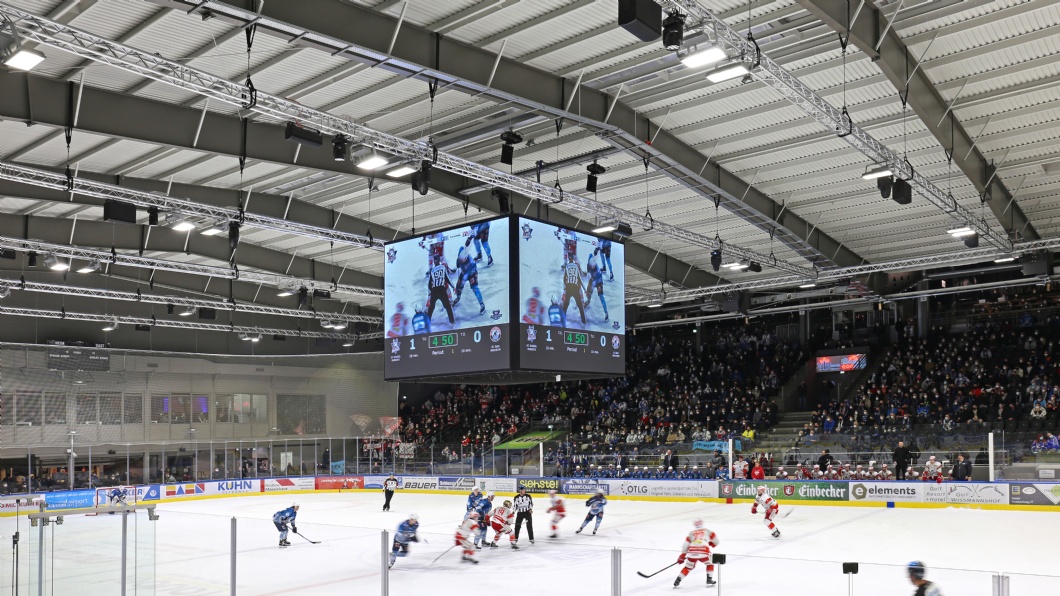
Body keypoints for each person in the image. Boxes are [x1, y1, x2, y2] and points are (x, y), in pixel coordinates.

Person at [673, 519, 719, 588]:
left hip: (692, 552)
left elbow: (686, 545)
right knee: (710, 563)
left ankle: (678, 579)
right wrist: (711, 543)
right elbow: (716, 541)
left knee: (688, 567)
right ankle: (709, 579)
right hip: (704, 552)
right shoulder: (707, 531)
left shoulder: (691, 533)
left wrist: (682, 556)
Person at [452, 238, 486, 315]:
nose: (461, 261)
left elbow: (465, 276)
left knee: (475, 288)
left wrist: (462, 282)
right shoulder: (461, 255)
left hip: (472, 273)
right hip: (464, 273)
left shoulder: (471, 262)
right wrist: (458, 262)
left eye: (462, 260)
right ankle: (458, 297)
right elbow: (462, 248)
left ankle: (481, 304)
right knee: (458, 286)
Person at [425, 254, 456, 326]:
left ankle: (428, 323)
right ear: (439, 260)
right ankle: (452, 322)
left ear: (434, 262)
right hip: (442, 289)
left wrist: (430, 292)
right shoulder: (443, 267)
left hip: (434, 290)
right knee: (448, 306)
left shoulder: (432, 270)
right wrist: (453, 287)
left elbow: (429, 284)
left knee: (431, 307)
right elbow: (447, 278)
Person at [561, 252, 587, 325]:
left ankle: (562, 321)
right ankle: (584, 321)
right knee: (580, 305)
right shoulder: (576, 266)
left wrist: (565, 288)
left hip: (569, 287)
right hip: (575, 288)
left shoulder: (567, 266)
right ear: (573, 258)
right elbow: (579, 279)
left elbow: (564, 279)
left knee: (566, 305)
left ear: (569, 259)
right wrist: (584, 289)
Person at [583, 249, 609, 322]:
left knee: (600, 296)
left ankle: (606, 312)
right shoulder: (589, 263)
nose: (592, 267)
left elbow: (594, 282)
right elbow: (592, 255)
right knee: (589, 291)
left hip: (598, 281)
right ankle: (588, 301)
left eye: (594, 266)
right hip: (592, 279)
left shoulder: (596, 271)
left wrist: (590, 289)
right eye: (592, 266)